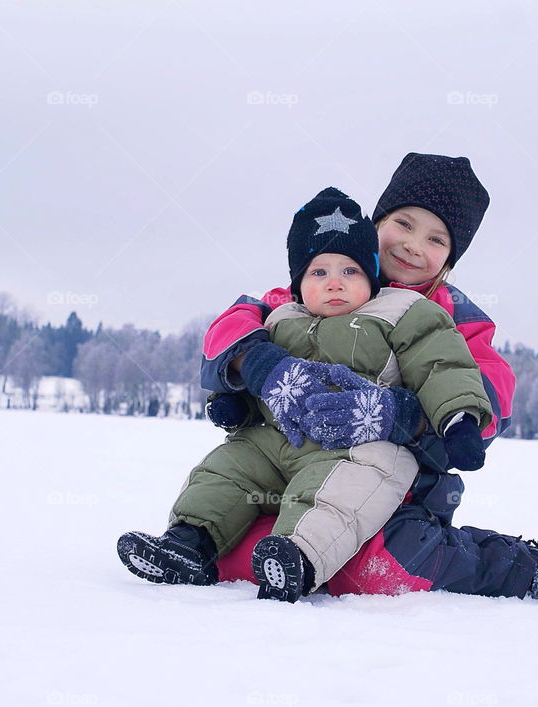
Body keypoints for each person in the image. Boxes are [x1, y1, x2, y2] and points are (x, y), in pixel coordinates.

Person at [118, 188, 494, 603]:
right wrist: (243, 388)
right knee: (228, 467)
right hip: (278, 444)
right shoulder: (284, 314)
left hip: (365, 456)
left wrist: (448, 418)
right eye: (403, 224)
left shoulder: (413, 312)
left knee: (360, 529)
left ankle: (298, 555)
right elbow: (231, 341)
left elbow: (446, 368)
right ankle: (188, 540)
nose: (413, 245)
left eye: (436, 239)